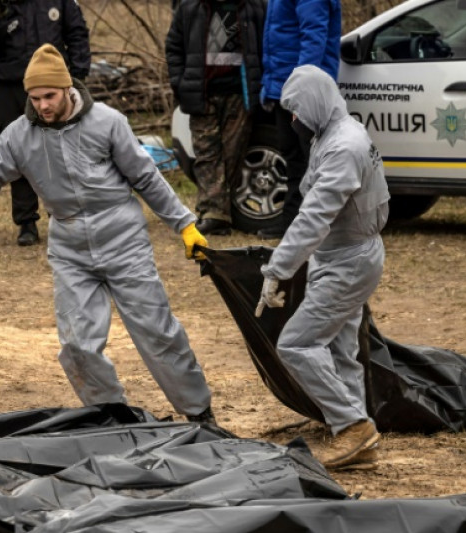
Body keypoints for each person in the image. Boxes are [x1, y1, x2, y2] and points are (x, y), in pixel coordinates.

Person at [0, 45, 217, 425]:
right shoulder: (19, 136)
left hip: (123, 240)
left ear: (67, 89)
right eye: (35, 98)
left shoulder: (108, 122)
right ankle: (111, 415)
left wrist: (185, 225)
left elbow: (144, 176)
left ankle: (199, 412)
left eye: (49, 96)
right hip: (69, 245)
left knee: (158, 332)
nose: (42, 105)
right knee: (77, 344)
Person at [254, 65, 389, 469]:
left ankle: (353, 426)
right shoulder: (331, 133)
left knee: (296, 344)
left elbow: (314, 216)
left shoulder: (342, 147)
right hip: (342, 255)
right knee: (339, 348)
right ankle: (356, 442)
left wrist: (277, 270)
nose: (293, 119)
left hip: (349, 260)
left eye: (296, 110)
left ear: (314, 102)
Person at [0, 0, 90, 246]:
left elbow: (77, 34)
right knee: (18, 153)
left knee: (59, 152)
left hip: (53, 88)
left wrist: (77, 76)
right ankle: (26, 222)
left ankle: (63, 218)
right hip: (9, 85)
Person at [165, 0, 265, 236]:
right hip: (203, 93)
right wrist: (180, 83)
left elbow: (265, 47)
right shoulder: (190, 8)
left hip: (239, 93)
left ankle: (220, 213)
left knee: (232, 152)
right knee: (207, 153)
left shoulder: (254, 7)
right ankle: (212, 214)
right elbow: (174, 47)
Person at [258, 0, 341, 239]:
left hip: (303, 92)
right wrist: (269, 87)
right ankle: (293, 223)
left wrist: (303, 90)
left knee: (313, 161)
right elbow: (277, 38)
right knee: (293, 159)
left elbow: (314, 38)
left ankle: (321, 227)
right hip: (282, 88)